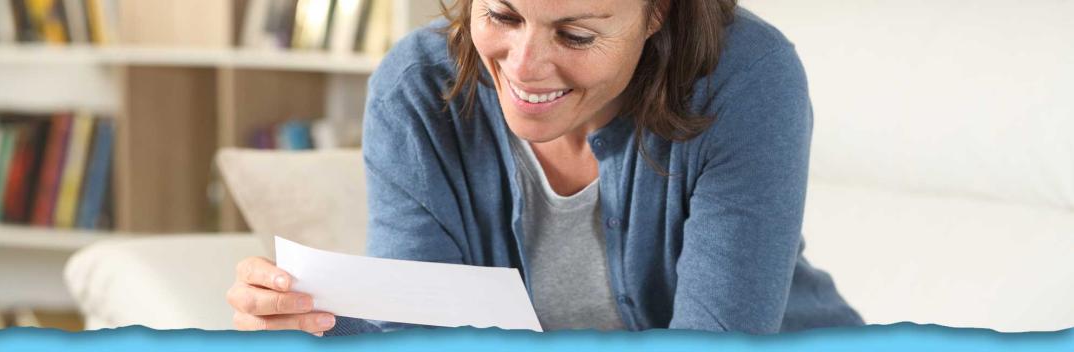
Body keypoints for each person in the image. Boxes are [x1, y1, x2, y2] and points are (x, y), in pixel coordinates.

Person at [226, 0, 864, 335]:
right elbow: (421, 330)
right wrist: (310, 323)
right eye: (501, 15)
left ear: (658, 11)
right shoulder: (418, 91)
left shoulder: (746, 78)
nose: (524, 68)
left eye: (576, 35)